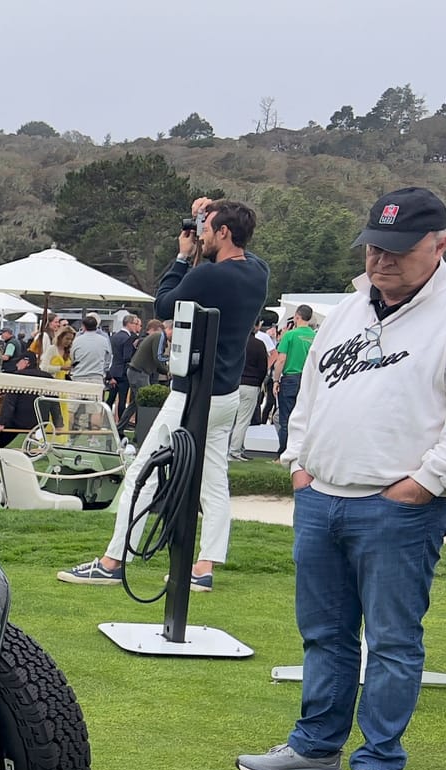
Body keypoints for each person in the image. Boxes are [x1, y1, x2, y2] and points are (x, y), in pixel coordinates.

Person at [238, 187, 446, 770]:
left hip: (400, 506)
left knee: (391, 640)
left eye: (397, 250)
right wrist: (299, 463)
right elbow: (311, 392)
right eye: (373, 247)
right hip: (322, 496)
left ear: (440, 246)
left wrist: (424, 484)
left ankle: (377, 764)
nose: (380, 261)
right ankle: (314, 749)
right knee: (325, 633)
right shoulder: (348, 309)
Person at [60, 197, 269, 591]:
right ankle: (204, 567)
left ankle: (113, 560)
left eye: (206, 230)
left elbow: (165, 301)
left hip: (192, 393)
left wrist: (181, 255)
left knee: (144, 472)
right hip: (225, 394)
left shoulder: (209, 277)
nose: (199, 236)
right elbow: (238, 251)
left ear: (223, 232)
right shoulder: (258, 272)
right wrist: (211, 213)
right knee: (213, 480)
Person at [272, 304, 316, 454]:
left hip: (290, 378)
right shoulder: (316, 336)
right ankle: (303, 453)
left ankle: (283, 453)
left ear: (297, 317)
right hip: (310, 380)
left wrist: (276, 380)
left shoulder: (289, 336)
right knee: (306, 418)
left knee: (286, 418)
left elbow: (281, 360)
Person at [0, 351, 50, 447]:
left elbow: (10, 403)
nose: (16, 364)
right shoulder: (48, 377)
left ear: (26, 362)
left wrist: (1, 423)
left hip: (19, 422)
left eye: (18, 361)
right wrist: (59, 424)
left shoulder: (18, 376)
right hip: (41, 422)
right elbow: (54, 402)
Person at [230, 327, 270, 459]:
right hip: (251, 384)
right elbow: (263, 368)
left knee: (231, 419)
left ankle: (232, 448)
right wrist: (258, 384)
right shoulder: (259, 345)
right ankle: (235, 450)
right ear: (257, 327)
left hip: (234, 383)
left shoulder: (236, 342)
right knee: (243, 420)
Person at [107, 314, 143, 422]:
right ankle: (121, 422)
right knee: (122, 400)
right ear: (129, 324)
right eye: (135, 324)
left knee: (111, 399)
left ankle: (106, 420)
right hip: (123, 372)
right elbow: (127, 357)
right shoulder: (128, 338)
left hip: (113, 370)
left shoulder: (114, 336)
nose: (137, 327)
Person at [69, 313, 112, 388]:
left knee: (77, 399)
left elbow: (72, 358)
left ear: (83, 326)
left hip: (79, 376)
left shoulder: (76, 340)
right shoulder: (104, 340)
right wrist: (104, 370)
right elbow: (108, 358)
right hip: (97, 377)